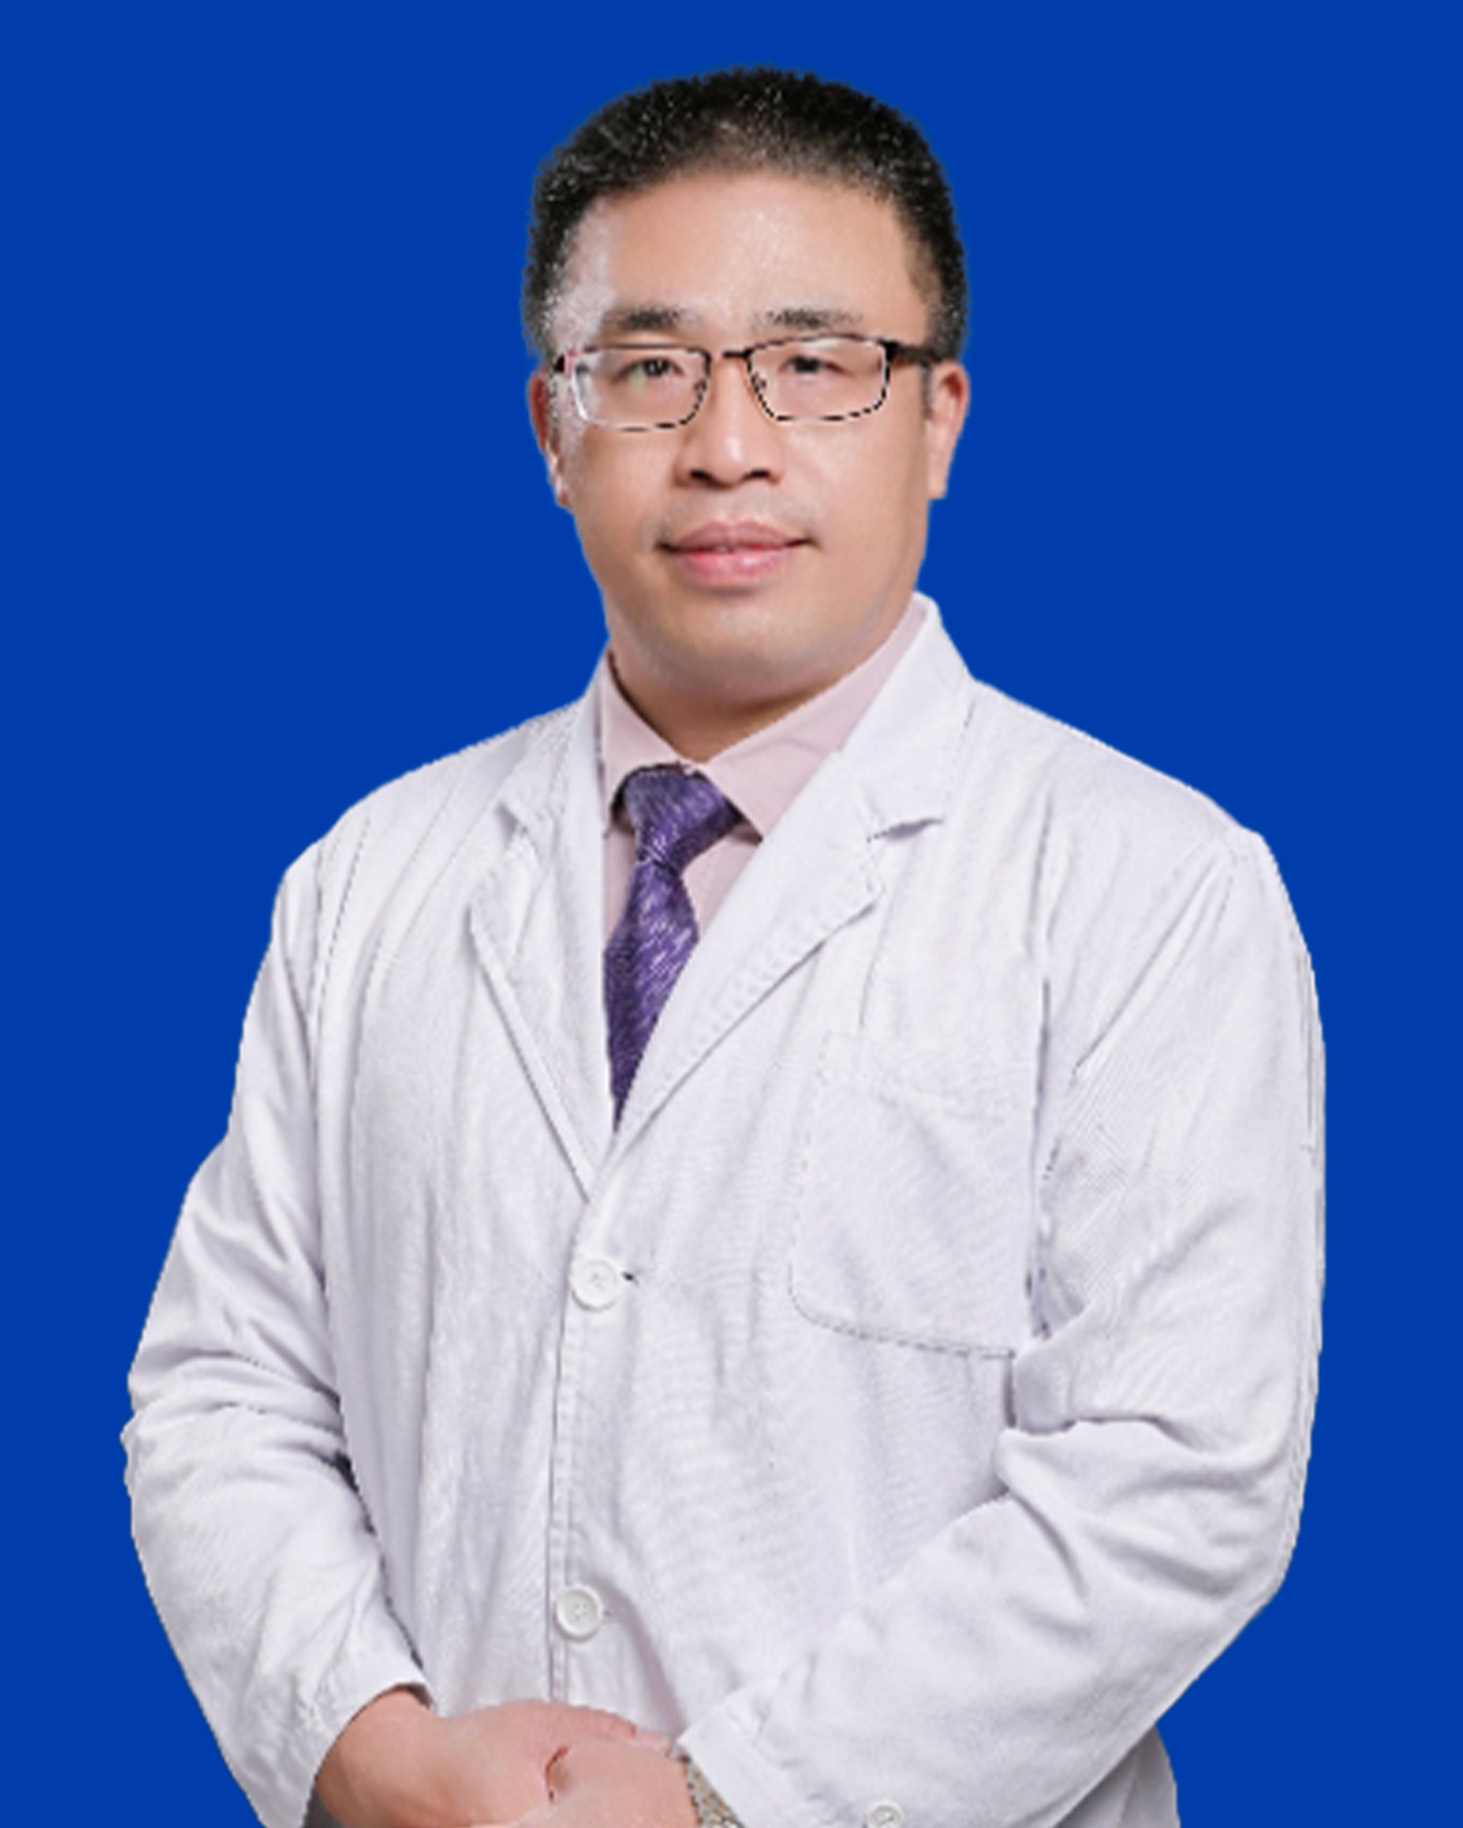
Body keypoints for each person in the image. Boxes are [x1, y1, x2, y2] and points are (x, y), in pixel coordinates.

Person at [125, 68, 1323, 1828]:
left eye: (818, 364)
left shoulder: (1150, 886)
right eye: (650, 369)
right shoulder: (369, 878)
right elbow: (225, 1396)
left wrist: (716, 1801)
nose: (729, 446)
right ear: (553, 427)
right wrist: (372, 1752)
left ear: (939, 419)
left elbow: (1174, 1483)